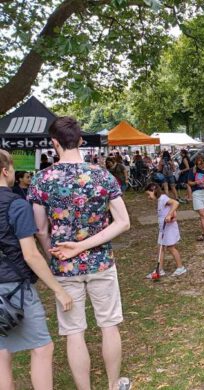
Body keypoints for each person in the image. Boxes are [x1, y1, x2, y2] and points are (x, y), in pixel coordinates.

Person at [29, 116, 131, 390]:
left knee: (74, 332)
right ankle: (113, 384)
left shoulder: (42, 179)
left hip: (64, 265)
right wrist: (86, 245)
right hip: (101, 263)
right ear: (81, 140)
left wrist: (57, 255)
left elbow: (40, 229)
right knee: (109, 325)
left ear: (54, 143)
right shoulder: (101, 175)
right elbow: (123, 221)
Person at [0, 149, 73, 390]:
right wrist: (58, 289)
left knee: (2, 353)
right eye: (12, 167)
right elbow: (31, 255)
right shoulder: (17, 205)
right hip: (15, 289)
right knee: (42, 347)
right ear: (5, 171)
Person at [144, 183, 186, 278]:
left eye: (148, 194)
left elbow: (176, 203)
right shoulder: (160, 200)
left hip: (169, 228)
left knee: (171, 247)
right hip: (163, 228)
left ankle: (180, 267)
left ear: (154, 190)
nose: (148, 197)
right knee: (161, 248)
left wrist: (169, 215)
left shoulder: (163, 198)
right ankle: (160, 270)